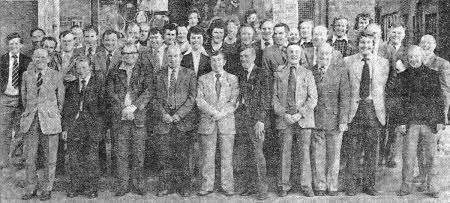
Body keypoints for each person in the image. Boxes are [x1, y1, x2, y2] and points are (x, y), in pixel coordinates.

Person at [344, 31, 389, 196]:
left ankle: (370, 184)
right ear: (358, 44)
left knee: (372, 150)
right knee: (353, 149)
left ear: (374, 44)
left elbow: (386, 89)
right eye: (362, 43)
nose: (365, 46)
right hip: (355, 109)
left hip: (373, 109)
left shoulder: (383, 63)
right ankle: (353, 185)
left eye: (369, 43)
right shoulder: (347, 61)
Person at [397, 45, 445, 198]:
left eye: (416, 56)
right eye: (410, 57)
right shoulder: (402, 76)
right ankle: (406, 187)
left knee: (431, 157)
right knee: (408, 157)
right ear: (407, 58)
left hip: (429, 123)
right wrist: (401, 122)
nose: (413, 59)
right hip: (411, 123)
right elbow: (399, 102)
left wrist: (439, 120)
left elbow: (439, 100)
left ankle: (433, 187)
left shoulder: (432, 75)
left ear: (422, 57)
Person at [106, 43, 153, 197]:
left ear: (137, 54)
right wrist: (123, 108)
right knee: (121, 153)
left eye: (132, 53)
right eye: (125, 53)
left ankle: (138, 184)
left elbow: (148, 91)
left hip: (138, 116)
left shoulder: (144, 70)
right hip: (120, 117)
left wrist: (133, 107)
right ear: (122, 55)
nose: (128, 56)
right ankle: (122, 185)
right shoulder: (114, 72)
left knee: (139, 152)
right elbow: (110, 92)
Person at [273, 44, 317, 197]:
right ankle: (284, 185)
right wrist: (284, 114)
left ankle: (306, 186)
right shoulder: (279, 73)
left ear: (301, 54)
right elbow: (274, 98)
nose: (294, 54)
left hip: (303, 120)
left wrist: (300, 114)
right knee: (285, 152)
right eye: (291, 52)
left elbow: (313, 98)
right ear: (286, 54)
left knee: (304, 153)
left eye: (297, 52)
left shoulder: (307, 73)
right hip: (285, 119)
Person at [20, 48, 64, 201]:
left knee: (50, 158)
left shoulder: (56, 75)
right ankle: (30, 188)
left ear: (48, 59)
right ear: (33, 58)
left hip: (50, 121)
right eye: (37, 57)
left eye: (43, 57)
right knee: (30, 157)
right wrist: (31, 112)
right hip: (31, 121)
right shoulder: (26, 75)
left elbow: (60, 101)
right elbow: (24, 98)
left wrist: (52, 114)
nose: (40, 60)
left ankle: (47, 189)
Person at [154, 45, 197, 197]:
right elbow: (154, 98)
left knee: (183, 156)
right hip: (164, 121)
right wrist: (163, 114)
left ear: (180, 57)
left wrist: (179, 115)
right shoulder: (159, 74)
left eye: (175, 56)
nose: (172, 59)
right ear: (166, 57)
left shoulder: (189, 73)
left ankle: (184, 186)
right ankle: (165, 186)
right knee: (164, 156)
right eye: (170, 56)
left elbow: (192, 98)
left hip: (182, 122)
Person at [196, 51, 239, 196]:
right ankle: (207, 186)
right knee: (207, 156)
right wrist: (213, 112)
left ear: (224, 62)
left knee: (227, 157)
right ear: (210, 63)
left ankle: (227, 186)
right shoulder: (203, 79)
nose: (216, 63)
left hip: (226, 122)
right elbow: (199, 100)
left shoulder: (233, 79)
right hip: (208, 121)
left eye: (219, 60)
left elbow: (234, 100)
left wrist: (222, 113)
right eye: (213, 61)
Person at [310, 43, 350, 196]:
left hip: (335, 120)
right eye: (321, 54)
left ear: (332, 55)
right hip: (317, 119)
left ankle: (332, 185)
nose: (324, 57)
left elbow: (345, 97)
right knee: (318, 155)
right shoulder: (311, 72)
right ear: (317, 55)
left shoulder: (340, 72)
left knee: (334, 156)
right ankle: (320, 185)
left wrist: (343, 120)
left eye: (327, 54)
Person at [62, 56, 104, 199]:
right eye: (78, 68)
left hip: (92, 127)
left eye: (84, 68)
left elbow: (104, 109)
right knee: (74, 158)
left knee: (91, 159)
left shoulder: (98, 84)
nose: (81, 71)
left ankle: (91, 187)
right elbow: (67, 109)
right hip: (75, 126)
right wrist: (66, 128)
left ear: (90, 68)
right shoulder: (72, 85)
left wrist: (99, 127)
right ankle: (75, 186)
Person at [414, 35, 450, 185]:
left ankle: (432, 180)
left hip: (433, 113)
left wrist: (443, 115)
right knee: (419, 146)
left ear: (435, 45)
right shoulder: (415, 61)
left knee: (431, 149)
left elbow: (445, 90)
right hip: (417, 112)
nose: (426, 45)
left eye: (429, 43)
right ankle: (422, 175)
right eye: (423, 43)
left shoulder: (442, 64)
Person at [236, 47, 270, 200]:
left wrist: (261, 120)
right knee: (245, 154)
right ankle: (249, 187)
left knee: (258, 154)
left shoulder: (262, 73)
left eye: (247, 56)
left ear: (254, 57)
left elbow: (266, 98)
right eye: (242, 57)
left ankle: (262, 189)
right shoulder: (241, 73)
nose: (244, 59)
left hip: (257, 121)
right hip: (243, 120)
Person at [0, 33, 32, 170]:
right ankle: (3, 160)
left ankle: (19, 159)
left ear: (21, 45)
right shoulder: (2, 60)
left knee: (21, 131)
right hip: (6, 98)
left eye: (16, 43)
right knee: (4, 131)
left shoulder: (27, 61)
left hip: (20, 100)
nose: (14, 46)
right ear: (7, 45)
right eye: (11, 44)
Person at [92, 29, 121, 175]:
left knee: (117, 136)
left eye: (113, 40)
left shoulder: (123, 56)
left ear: (118, 41)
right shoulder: (96, 57)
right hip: (100, 103)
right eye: (107, 40)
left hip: (116, 103)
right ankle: (102, 169)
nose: (110, 43)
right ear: (102, 41)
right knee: (100, 136)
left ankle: (116, 169)